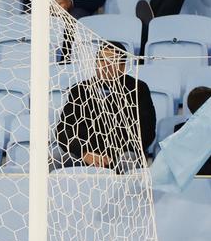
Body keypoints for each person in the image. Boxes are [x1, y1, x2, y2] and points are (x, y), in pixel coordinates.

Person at [55, 40, 157, 171]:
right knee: (54, 158)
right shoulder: (79, 90)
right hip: (86, 155)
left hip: (122, 154)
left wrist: (111, 154)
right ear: (96, 63)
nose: (106, 65)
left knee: (128, 159)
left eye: (112, 61)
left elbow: (147, 131)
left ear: (122, 66)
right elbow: (63, 129)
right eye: (102, 60)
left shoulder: (138, 89)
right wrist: (84, 152)